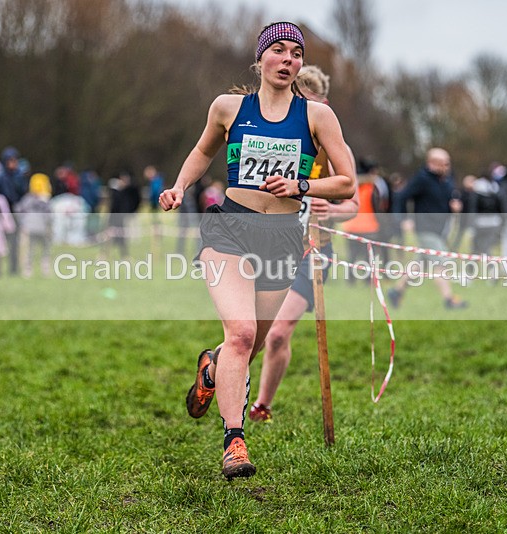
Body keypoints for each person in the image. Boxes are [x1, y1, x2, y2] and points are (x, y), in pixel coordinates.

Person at [159, 22, 355, 480]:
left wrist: (301, 185)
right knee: (243, 333)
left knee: (247, 347)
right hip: (230, 228)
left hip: (283, 238)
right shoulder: (228, 107)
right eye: (279, 51)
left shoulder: (317, 116)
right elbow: (202, 152)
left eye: (296, 54)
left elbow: (347, 182)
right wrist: (179, 186)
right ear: (261, 58)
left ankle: (212, 368)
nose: (288, 60)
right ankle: (234, 441)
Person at [249, 64, 359, 423]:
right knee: (251, 331)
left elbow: (354, 203)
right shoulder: (272, 136)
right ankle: (219, 373)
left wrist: (334, 210)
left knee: (279, 330)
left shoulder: (332, 145)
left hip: (313, 250)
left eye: (313, 105)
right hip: (267, 245)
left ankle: (262, 405)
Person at [387, 147, 467, 310]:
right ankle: (449, 300)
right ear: (431, 163)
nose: (446, 167)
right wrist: (403, 220)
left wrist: (454, 205)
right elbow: (402, 197)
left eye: (447, 163)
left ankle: (396, 291)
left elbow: (449, 197)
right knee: (441, 261)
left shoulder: (447, 179)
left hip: (440, 228)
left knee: (420, 264)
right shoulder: (421, 179)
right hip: (425, 228)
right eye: (442, 164)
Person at [0, 146, 28, 275]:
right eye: (10, 160)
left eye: (15, 160)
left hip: (14, 213)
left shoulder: (19, 177)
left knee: (14, 242)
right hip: (1, 213)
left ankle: (13, 269)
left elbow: (22, 193)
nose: (13, 163)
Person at [15, 173, 53, 278]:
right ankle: (45, 270)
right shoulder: (46, 199)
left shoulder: (27, 199)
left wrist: (22, 223)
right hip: (42, 228)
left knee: (29, 251)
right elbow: (49, 215)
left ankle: (27, 271)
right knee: (45, 250)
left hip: (28, 228)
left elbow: (19, 210)